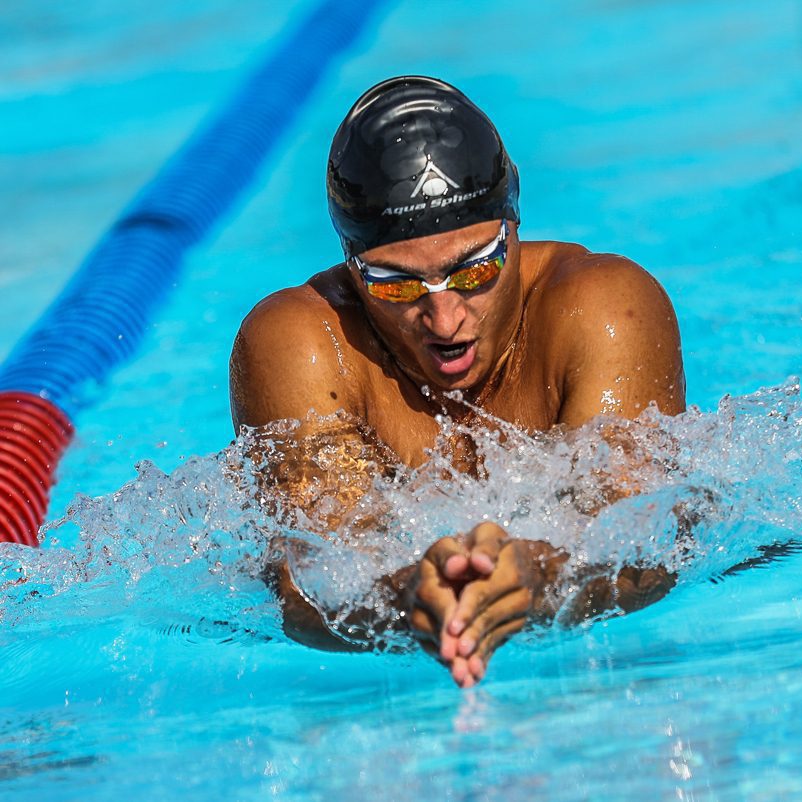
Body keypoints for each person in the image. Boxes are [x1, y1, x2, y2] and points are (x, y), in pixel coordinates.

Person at [229, 76, 685, 687]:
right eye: (395, 283)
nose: (444, 321)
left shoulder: (602, 310)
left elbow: (646, 544)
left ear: (514, 224)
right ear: (352, 263)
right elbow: (307, 585)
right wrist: (401, 598)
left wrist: (545, 577)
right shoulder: (302, 344)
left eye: (474, 269)